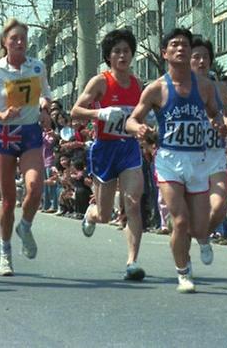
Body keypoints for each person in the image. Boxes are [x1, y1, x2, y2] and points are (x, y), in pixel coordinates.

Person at [126, 28, 223, 293]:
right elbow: (131, 120)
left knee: (199, 225)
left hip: (197, 161)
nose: (181, 49)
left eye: (185, 45)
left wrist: (218, 123)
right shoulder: (156, 89)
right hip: (169, 159)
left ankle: (201, 240)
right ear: (165, 52)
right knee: (179, 220)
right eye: (175, 45)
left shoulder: (204, 86)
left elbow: (215, 113)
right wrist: (140, 130)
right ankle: (183, 272)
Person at [71, 29, 146, 280]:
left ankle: (132, 262)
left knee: (133, 202)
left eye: (126, 51)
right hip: (104, 150)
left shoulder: (138, 85)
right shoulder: (100, 82)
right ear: (109, 57)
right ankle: (90, 214)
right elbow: (75, 110)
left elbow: (142, 116)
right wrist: (100, 113)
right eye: (117, 51)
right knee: (104, 215)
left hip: (128, 149)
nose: (122, 55)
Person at [0, 18, 51, 277]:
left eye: (23, 38)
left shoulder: (36, 66)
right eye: (14, 39)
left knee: (34, 187)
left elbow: (46, 94)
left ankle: (26, 225)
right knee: (9, 200)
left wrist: (45, 109)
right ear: (5, 42)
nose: (19, 42)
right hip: (4, 136)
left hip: (31, 133)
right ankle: (5, 253)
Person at [190, 36, 227, 266]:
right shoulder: (180, 87)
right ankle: (183, 261)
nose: (201, 61)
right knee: (183, 216)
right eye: (196, 57)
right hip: (188, 155)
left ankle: (203, 237)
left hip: (214, 152)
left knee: (221, 204)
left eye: (205, 57)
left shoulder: (220, 87)